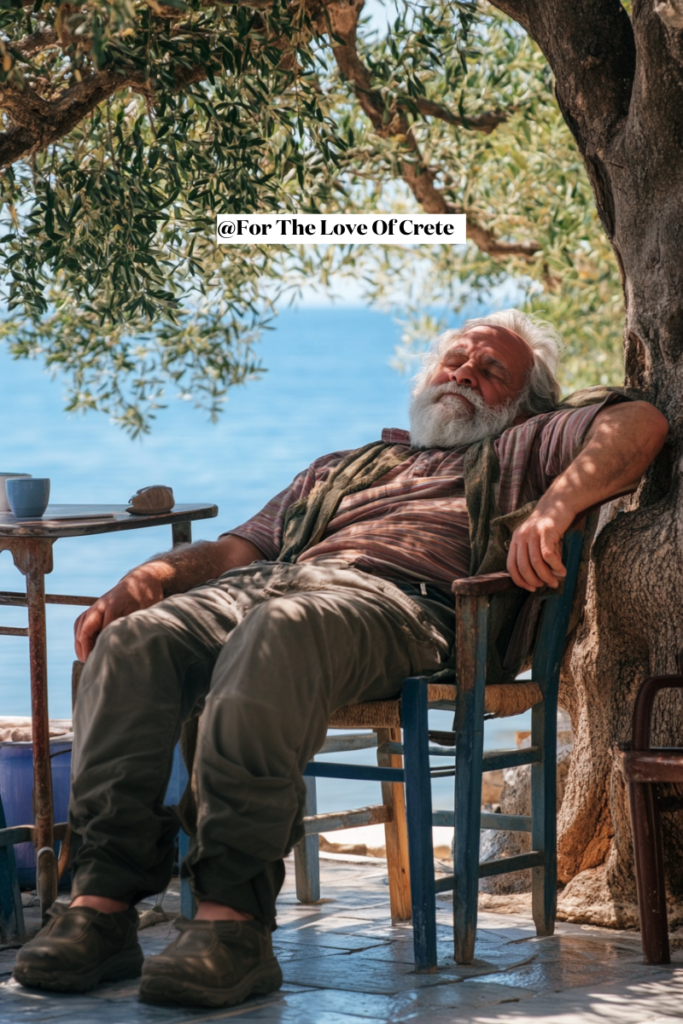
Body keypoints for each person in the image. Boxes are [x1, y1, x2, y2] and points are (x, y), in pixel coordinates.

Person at [13, 310, 668, 1008]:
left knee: (279, 633)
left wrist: (552, 509)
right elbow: (233, 553)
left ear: (523, 400)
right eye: (454, 361)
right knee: (132, 643)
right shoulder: (342, 466)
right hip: (265, 588)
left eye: (489, 370)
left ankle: (229, 923)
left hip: (398, 605)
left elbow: (640, 424)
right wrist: (147, 580)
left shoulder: (527, 442)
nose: (464, 375)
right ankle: (100, 906)